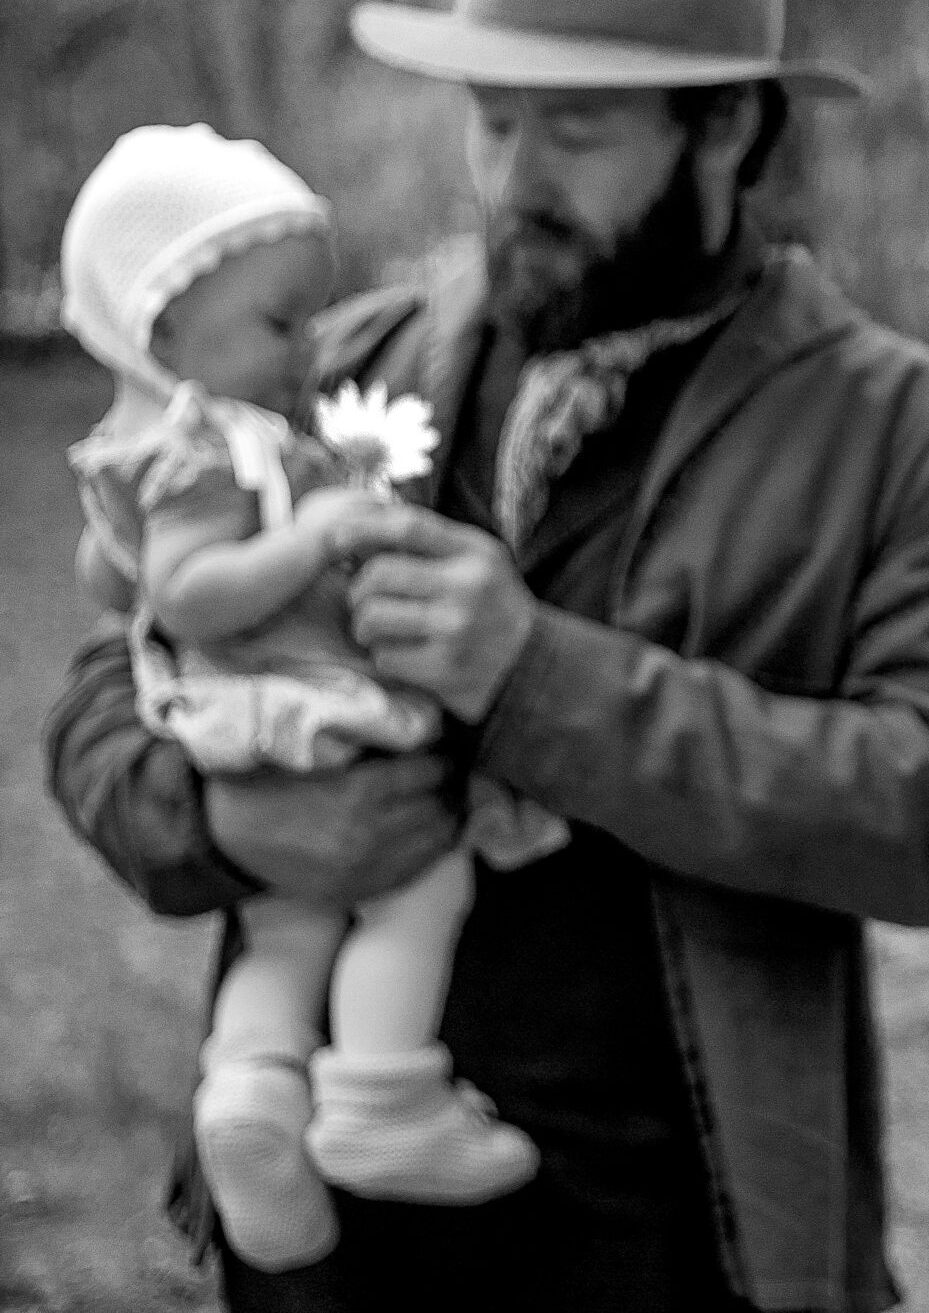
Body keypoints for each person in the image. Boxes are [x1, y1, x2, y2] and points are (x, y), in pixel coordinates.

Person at [47, 0, 929, 1313]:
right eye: (492, 121)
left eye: (573, 133)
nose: (513, 182)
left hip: (685, 1245)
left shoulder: (894, 426)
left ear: (728, 129)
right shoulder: (345, 364)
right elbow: (102, 692)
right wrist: (220, 817)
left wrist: (538, 679)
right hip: (322, 1246)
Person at [58, 125, 560, 1275]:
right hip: (297, 712)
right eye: (281, 324)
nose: (311, 351)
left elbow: (115, 576)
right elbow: (182, 593)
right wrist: (317, 537)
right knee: (417, 884)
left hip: (255, 717)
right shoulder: (202, 450)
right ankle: (384, 1096)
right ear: (162, 332)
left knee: (285, 932)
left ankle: (251, 1099)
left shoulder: (173, 443)